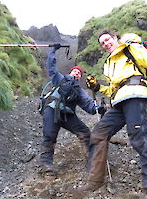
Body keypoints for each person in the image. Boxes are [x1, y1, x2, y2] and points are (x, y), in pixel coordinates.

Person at [78, 30, 147, 199]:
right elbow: (114, 89)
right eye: (102, 43)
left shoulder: (131, 49)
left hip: (136, 95)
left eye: (107, 39)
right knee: (98, 134)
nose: (105, 44)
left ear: (115, 39)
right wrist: (99, 87)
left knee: (139, 137)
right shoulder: (109, 63)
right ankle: (95, 180)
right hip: (119, 100)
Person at [38, 44, 105, 177]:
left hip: (67, 114)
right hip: (52, 110)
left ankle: (91, 161)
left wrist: (99, 108)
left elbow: (89, 106)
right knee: (49, 137)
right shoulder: (60, 79)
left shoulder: (79, 91)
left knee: (85, 132)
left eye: (79, 73)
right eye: (75, 71)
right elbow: (51, 67)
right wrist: (53, 51)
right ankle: (46, 166)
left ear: (80, 77)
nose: (77, 73)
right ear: (70, 72)